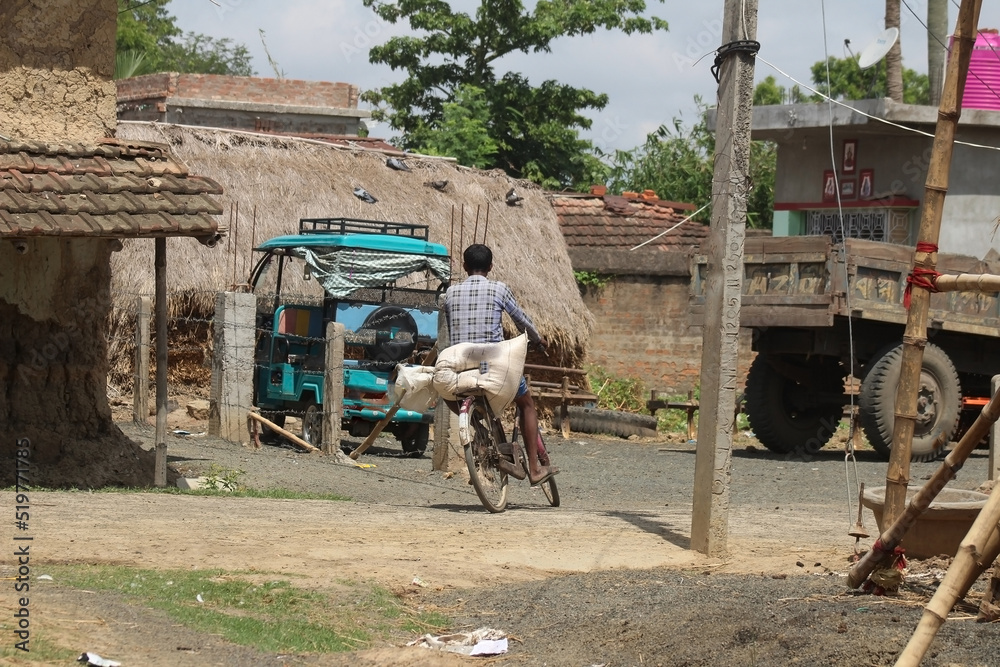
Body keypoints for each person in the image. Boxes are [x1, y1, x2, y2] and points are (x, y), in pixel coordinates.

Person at [443, 244, 558, 485]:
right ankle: (535, 470)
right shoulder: (499, 289)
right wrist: (537, 340)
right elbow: (521, 321)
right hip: (494, 367)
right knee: (526, 405)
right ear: (491, 267)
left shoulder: (450, 293)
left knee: (446, 394)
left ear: (464, 267)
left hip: (461, 368)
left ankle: (481, 432)